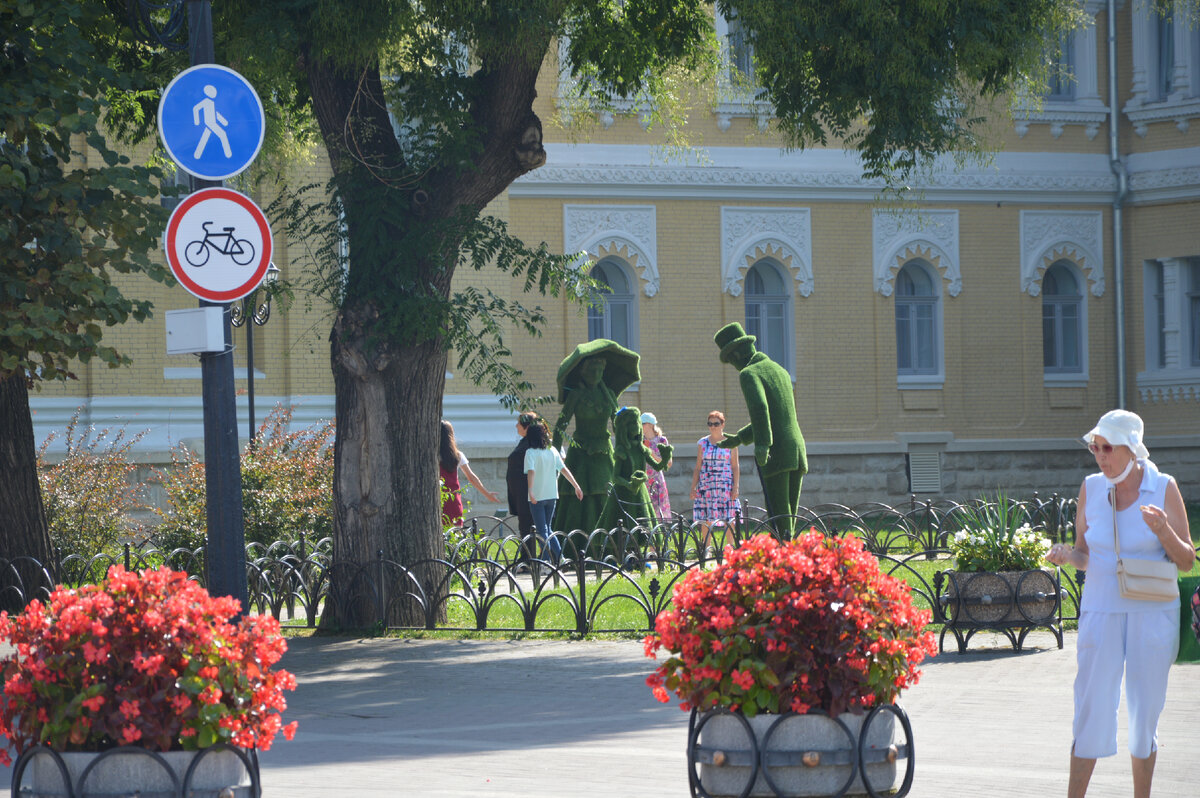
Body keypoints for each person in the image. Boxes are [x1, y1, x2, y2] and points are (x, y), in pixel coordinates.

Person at [1045, 409, 1194, 798]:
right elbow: (1084, 553)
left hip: (1152, 614)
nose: (1100, 456)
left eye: (1107, 447)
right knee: (1090, 710)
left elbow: (1186, 560)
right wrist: (1066, 554)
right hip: (1100, 612)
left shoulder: (1163, 487)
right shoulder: (1091, 488)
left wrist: (1162, 529)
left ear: (1132, 449)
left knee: (1144, 716)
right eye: (1095, 447)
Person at [713, 322, 807, 538]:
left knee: (779, 518)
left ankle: (783, 565)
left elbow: (760, 408)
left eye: (730, 360)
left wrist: (763, 444)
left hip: (776, 453)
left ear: (736, 354)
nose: (733, 365)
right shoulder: (780, 370)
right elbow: (776, 415)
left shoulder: (749, 373)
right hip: (797, 449)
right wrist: (739, 438)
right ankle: (794, 561)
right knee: (789, 517)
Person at [524, 421, 583, 564]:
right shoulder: (553, 451)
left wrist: (530, 491)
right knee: (548, 529)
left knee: (542, 531)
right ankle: (561, 558)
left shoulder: (530, 452)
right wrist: (576, 486)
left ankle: (546, 561)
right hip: (552, 496)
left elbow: (531, 472)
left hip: (537, 496)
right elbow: (563, 469)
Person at [689, 411, 739, 554]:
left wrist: (736, 486)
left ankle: (730, 549)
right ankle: (706, 549)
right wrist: (693, 487)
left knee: (729, 518)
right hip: (707, 486)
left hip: (725, 485)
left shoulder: (731, 442)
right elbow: (698, 467)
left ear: (723, 424)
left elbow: (735, 466)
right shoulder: (702, 443)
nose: (713, 427)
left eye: (716, 423)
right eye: (710, 424)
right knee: (706, 518)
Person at [440, 420, 499, 526]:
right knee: (455, 532)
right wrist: (487, 493)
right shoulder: (458, 456)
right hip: (454, 501)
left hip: (439, 499)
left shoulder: (433, 456)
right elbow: (471, 477)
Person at [506, 411, 541, 563]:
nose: (516, 426)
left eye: (519, 423)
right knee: (527, 526)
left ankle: (529, 560)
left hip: (528, 493)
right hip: (521, 493)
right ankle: (528, 557)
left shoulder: (531, 445)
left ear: (526, 427)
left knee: (529, 526)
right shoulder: (525, 443)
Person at [641, 411, 672, 521]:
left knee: (659, 511)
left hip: (656, 480)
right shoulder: (640, 441)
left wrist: (653, 454)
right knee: (645, 511)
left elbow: (668, 463)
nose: (640, 427)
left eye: (642, 424)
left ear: (650, 424)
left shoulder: (661, 440)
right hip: (643, 480)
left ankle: (661, 536)